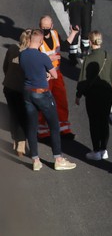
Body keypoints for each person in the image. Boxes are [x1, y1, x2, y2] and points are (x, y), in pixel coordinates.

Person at [19, 29, 77, 171]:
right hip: (42, 93)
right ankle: (58, 158)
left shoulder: (22, 55)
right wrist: (47, 75)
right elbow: (54, 75)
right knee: (54, 125)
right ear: (40, 42)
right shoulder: (42, 57)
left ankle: (35, 160)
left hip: (27, 93)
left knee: (32, 127)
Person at [76, 31, 112, 161]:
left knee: (94, 122)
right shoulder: (107, 56)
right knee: (104, 121)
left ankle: (96, 150)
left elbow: (83, 80)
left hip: (93, 95)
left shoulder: (88, 58)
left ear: (91, 42)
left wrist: (78, 95)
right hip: (107, 94)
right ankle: (104, 149)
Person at [37, 15, 77, 140]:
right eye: (44, 28)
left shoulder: (55, 34)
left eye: (48, 27)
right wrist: (50, 59)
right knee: (44, 103)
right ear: (40, 27)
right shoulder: (36, 38)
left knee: (61, 100)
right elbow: (34, 59)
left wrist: (74, 33)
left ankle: (64, 128)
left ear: (52, 26)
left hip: (57, 74)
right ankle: (42, 130)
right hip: (44, 76)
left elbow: (64, 46)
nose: (46, 30)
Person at [3, 29, 32, 156]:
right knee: (23, 116)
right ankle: (21, 143)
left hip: (9, 87)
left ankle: (15, 139)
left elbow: (5, 67)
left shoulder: (12, 49)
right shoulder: (30, 55)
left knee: (13, 114)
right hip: (22, 89)